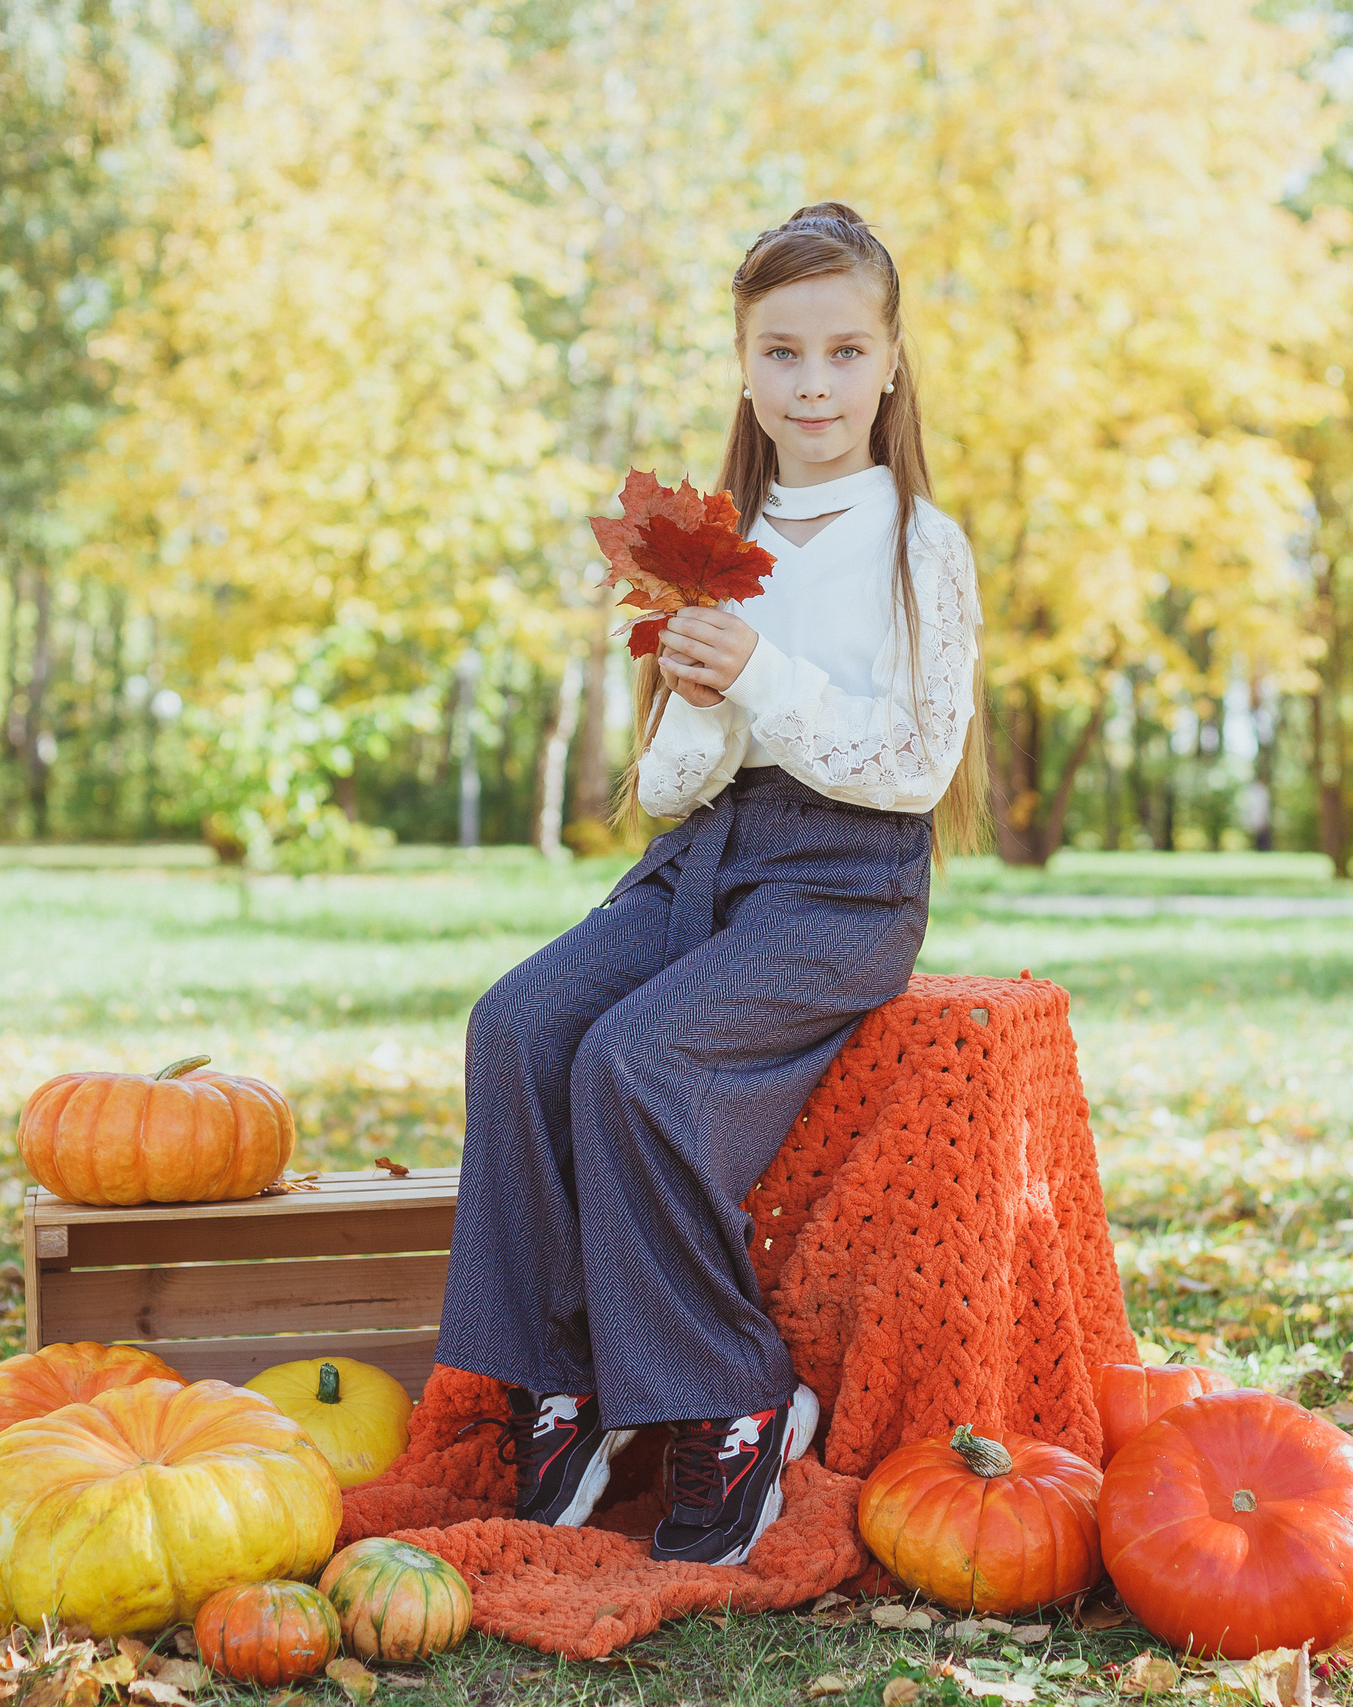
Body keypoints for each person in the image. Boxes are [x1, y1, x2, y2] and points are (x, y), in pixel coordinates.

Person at [434, 203, 988, 1567]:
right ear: (744, 366)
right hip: (701, 861)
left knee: (635, 1061)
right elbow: (678, 788)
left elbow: (916, 768)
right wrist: (696, 697)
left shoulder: (920, 543)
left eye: (844, 353)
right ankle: (559, 1377)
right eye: (782, 353)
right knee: (519, 1023)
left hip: (842, 886)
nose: (813, 385)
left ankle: (738, 1393)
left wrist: (763, 677)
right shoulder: (720, 535)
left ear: (892, 364)